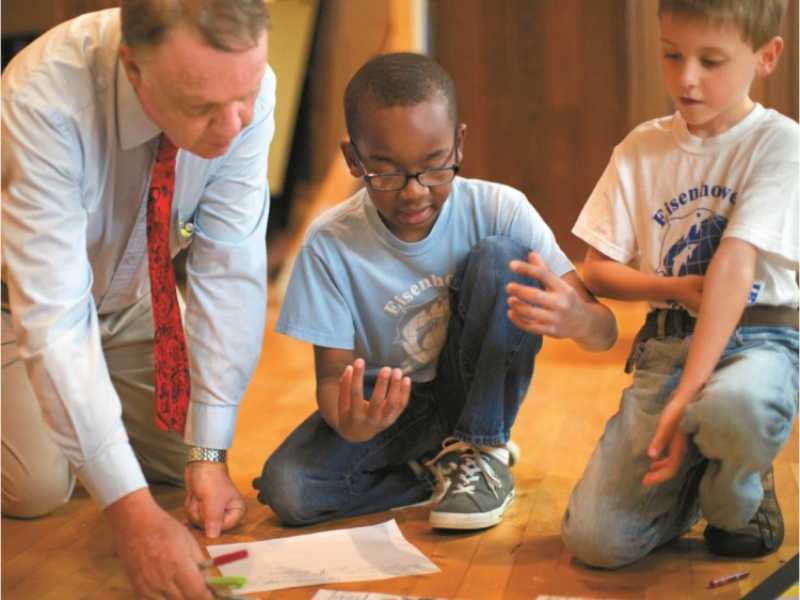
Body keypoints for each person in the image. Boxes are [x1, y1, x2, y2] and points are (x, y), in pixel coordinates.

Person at [252, 52, 617, 531]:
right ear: (352, 160)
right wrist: (350, 422)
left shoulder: (501, 208)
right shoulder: (329, 243)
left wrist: (579, 320)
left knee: (500, 256)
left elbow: (605, 332)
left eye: (434, 167)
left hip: (474, 388)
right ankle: (431, 471)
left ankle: (482, 449)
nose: (414, 192)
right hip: (392, 405)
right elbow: (332, 377)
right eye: (386, 172)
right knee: (288, 490)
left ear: (458, 144)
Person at [1, 1, 275, 597]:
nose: (235, 128)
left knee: (191, 455)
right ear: (133, 67)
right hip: (13, 302)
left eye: (247, 95)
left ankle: (74, 422)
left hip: (131, 298)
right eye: (202, 108)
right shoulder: (40, 99)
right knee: (37, 488)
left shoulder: (236, 85)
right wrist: (133, 519)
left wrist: (209, 454)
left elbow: (229, 269)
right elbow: (54, 319)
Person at [560, 0, 798, 568]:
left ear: (766, 56)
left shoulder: (782, 145)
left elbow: (734, 268)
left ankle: (737, 481)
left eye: (711, 61)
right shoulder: (640, 149)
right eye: (672, 55)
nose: (686, 78)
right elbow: (596, 268)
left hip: (760, 341)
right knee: (595, 541)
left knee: (736, 404)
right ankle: (699, 464)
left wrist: (686, 398)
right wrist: (671, 289)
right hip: (668, 348)